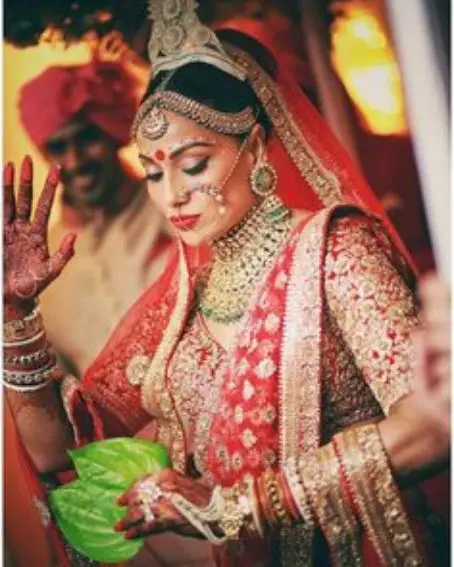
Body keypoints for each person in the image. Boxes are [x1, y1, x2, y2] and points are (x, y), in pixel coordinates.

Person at [3, 4, 450, 567]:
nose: (173, 195)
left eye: (193, 164)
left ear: (256, 147)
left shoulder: (336, 250)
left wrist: (233, 506)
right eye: (153, 172)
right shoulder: (181, 300)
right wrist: (14, 313)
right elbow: (59, 453)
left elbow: (434, 427)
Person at [17, 58, 174, 375]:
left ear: (113, 134)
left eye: (88, 138)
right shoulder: (40, 264)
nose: (75, 161)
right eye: (59, 147)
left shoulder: (175, 207)